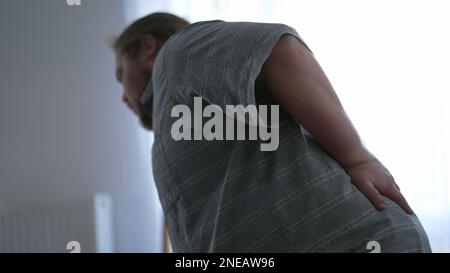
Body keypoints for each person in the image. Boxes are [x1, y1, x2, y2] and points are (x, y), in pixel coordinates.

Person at [112, 12, 431, 252]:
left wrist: (358, 158)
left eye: (120, 74)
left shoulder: (176, 53)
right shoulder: (176, 124)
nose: (124, 98)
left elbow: (277, 48)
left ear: (147, 46)